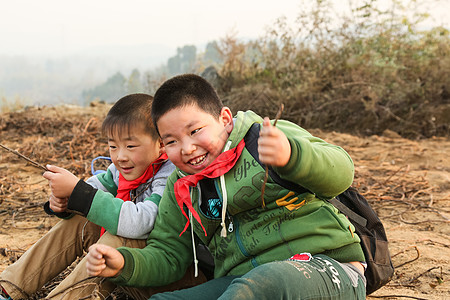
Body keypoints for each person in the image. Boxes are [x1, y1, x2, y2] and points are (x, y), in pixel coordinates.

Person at [87, 74, 366, 299]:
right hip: (238, 283)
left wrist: (292, 157)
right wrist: (124, 264)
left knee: (260, 285)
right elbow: (169, 256)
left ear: (224, 118)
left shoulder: (265, 138)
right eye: (171, 141)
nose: (187, 148)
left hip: (325, 267)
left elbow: (342, 172)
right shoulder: (180, 186)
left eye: (195, 131)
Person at [0, 94, 203, 300]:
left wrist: (82, 195)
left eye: (130, 146)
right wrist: (67, 202)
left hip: (171, 278)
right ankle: (10, 287)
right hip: (131, 270)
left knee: (117, 238)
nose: (120, 156)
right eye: (113, 146)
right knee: (83, 219)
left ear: (160, 143)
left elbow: (142, 222)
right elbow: (95, 188)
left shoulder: (170, 174)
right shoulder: (120, 170)